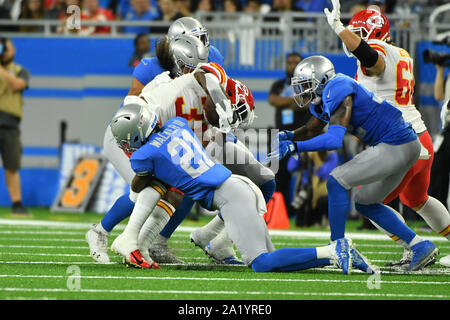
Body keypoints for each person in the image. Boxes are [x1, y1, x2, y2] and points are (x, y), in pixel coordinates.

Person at [109, 103, 377, 275]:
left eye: (126, 140)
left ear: (136, 133)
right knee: (274, 260)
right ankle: (338, 255)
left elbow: (139, 184)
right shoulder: (177, 124)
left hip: (231, 198)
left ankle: (334, 251)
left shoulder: (144, 156)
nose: (126, 146)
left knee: (260, 263)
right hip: (237, 187)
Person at [269, 55, 439, 272]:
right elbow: (312, 128)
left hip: (395, 142)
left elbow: (333, 139)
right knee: (365, 202)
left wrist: (296, 147)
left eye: (305, 85)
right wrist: (289, 135)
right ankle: (420, 246)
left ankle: (338, 245)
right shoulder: (328, 95)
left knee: (336, 180)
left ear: (322, 80)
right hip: (403, 144)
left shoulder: (338, 87)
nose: (301, 91)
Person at [324, 0, 450, 266]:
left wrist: (339, 28)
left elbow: (372, 60)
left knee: (367, 201)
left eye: (358, 35)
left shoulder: (378, 52)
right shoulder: (401, 53)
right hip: (421, 136)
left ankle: (414, 247)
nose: (353, 40)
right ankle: (417, 246)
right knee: (416, 199)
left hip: (400, 139)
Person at [268, 52, 310, 216]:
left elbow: (307, 105)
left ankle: (304, 214)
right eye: (289, 63)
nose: (292, 66)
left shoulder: (307, 83)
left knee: (306, 176)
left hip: (304, 136)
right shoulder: (279, 84)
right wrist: (296, 99)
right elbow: (273, 100)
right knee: (280, 176)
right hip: (281, 136)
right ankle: (282, 212)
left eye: (295, 63)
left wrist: (285, 102)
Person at [0, 38, 30, 215]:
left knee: (12, 166)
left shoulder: (20, 71)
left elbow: (18, 85)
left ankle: (17, 203)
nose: (3, 51)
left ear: (14, 50)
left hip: (10, 123)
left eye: (6, 47)